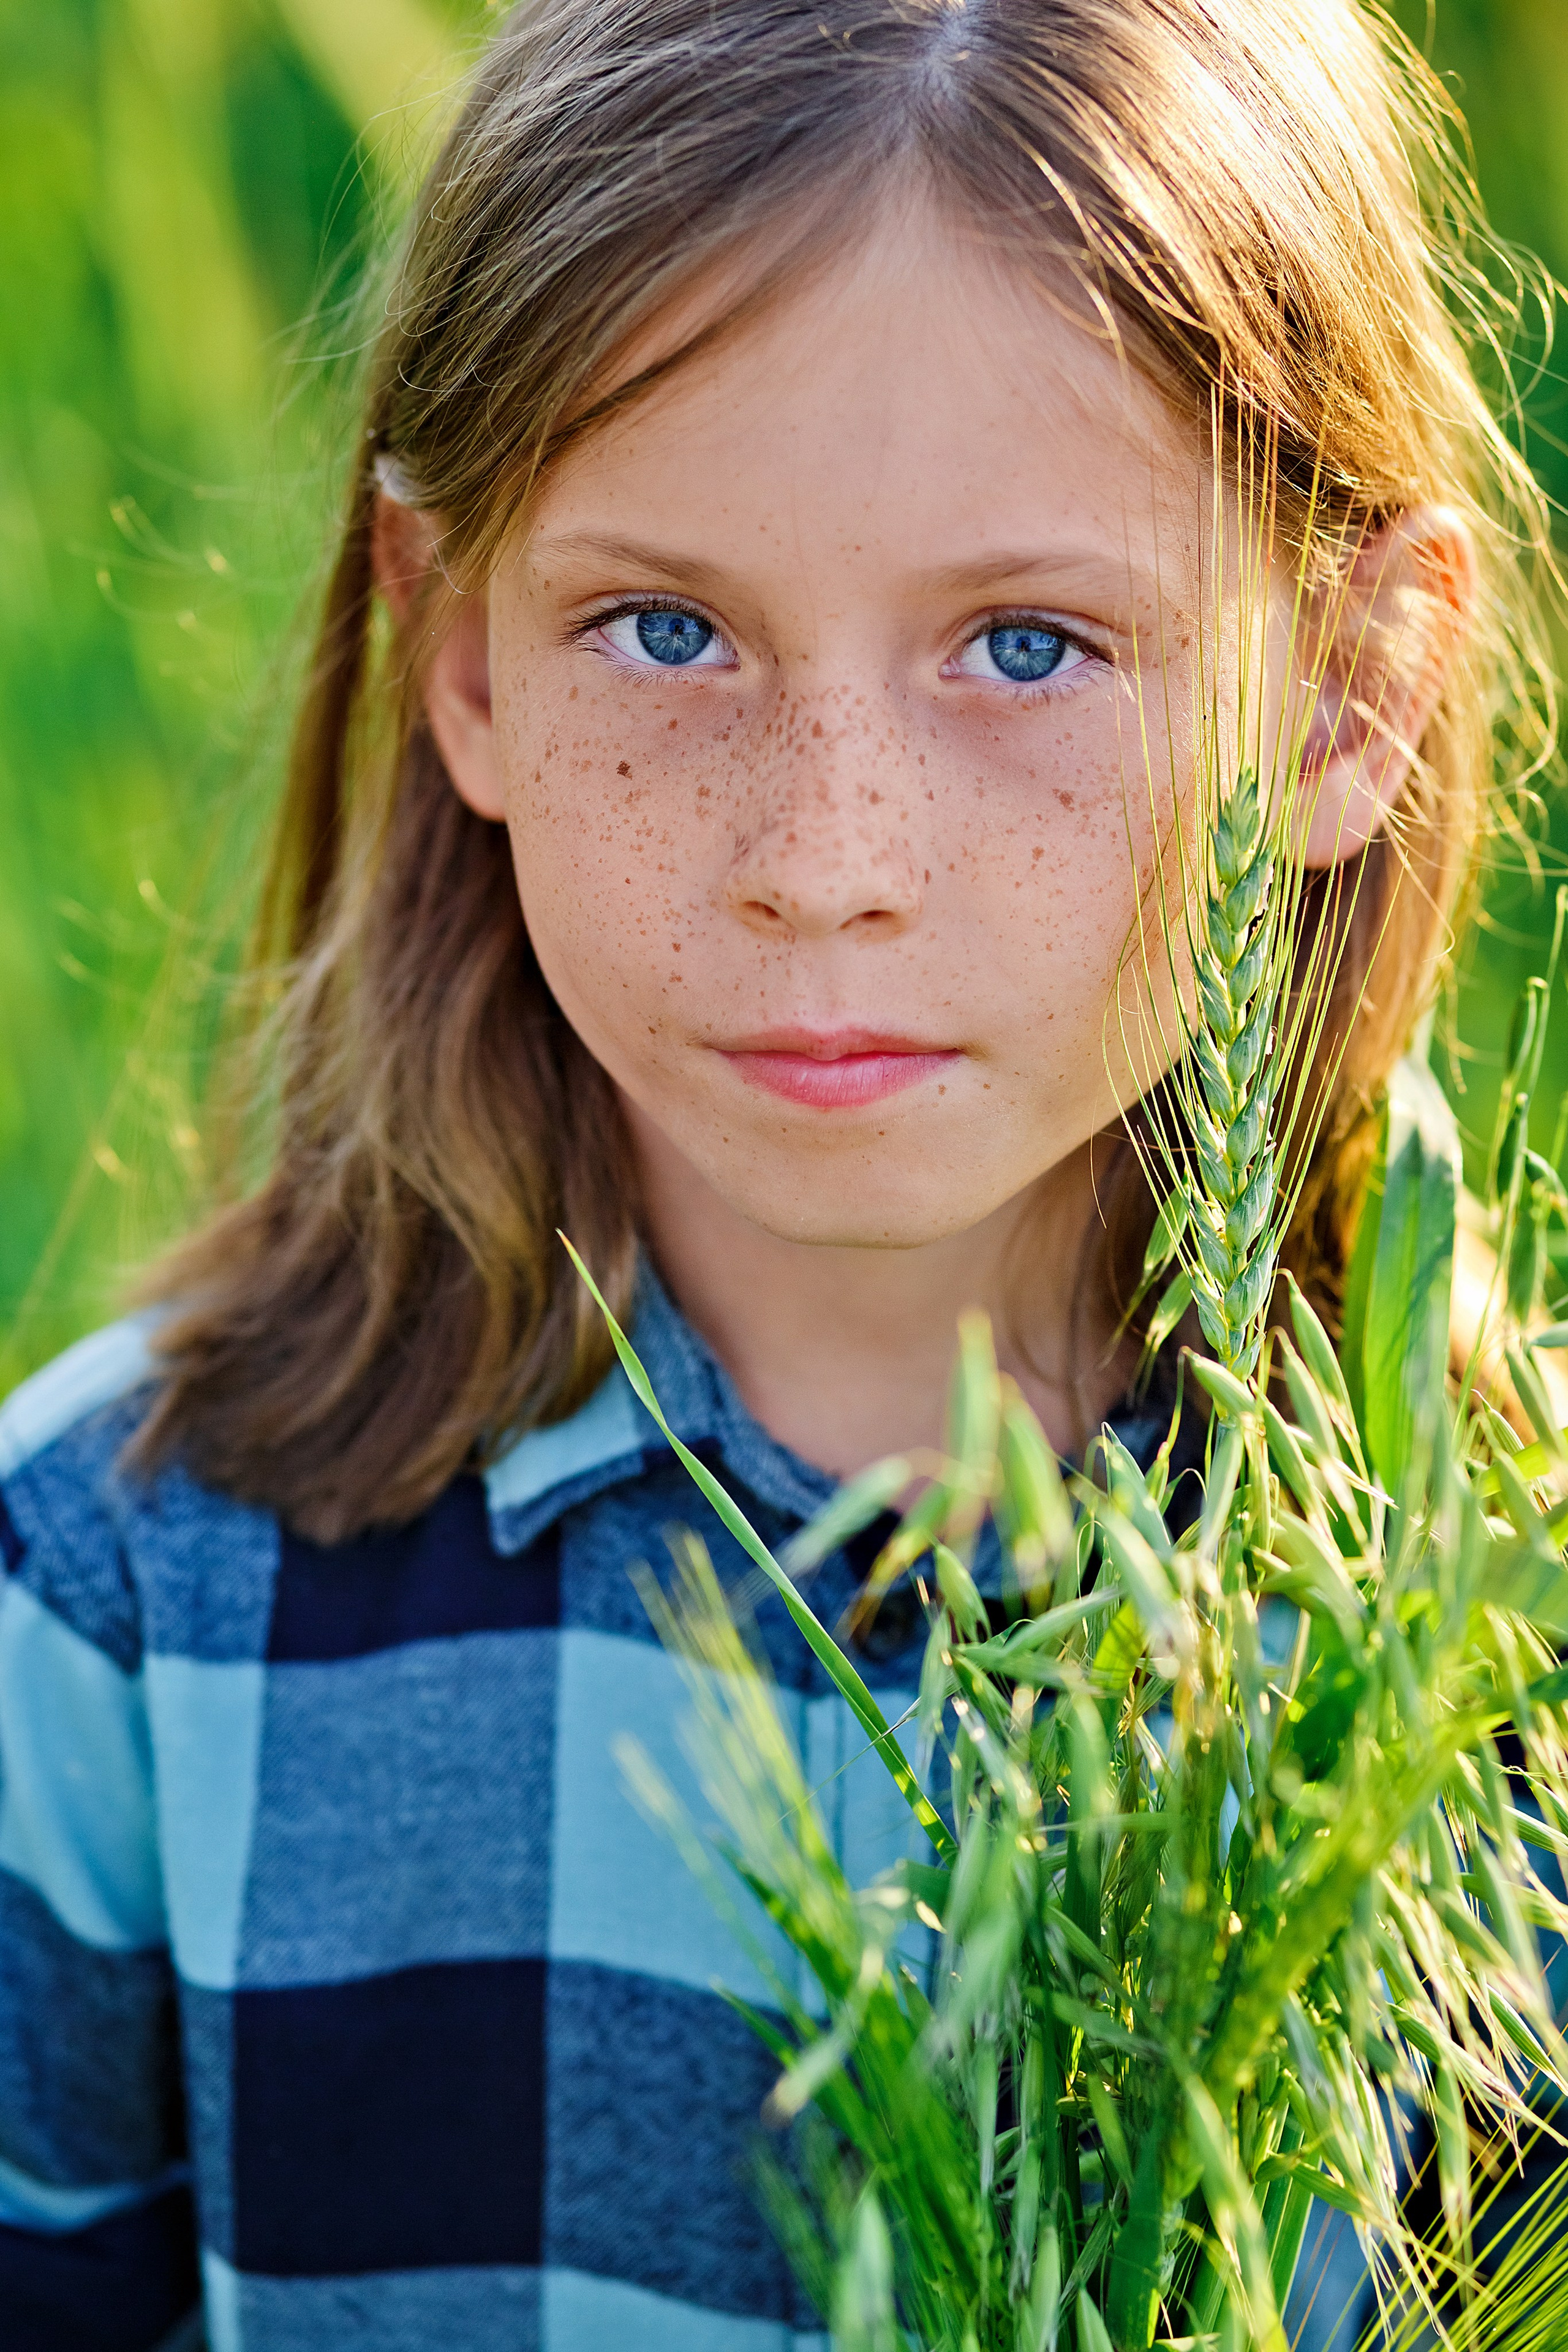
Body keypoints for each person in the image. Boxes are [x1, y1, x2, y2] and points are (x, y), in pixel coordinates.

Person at [0, 1, 1551, 2346]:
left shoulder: (1490, 1672)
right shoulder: (119, 1606)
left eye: (1026, 645)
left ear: (1352, 691)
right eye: (667, 630)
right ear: (461, 653)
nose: (825, 861)